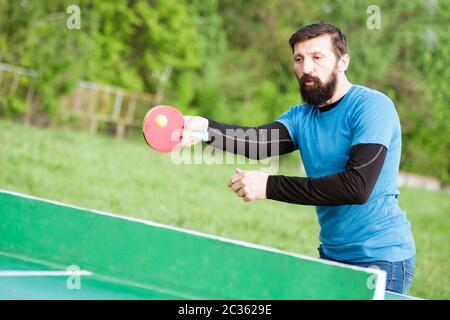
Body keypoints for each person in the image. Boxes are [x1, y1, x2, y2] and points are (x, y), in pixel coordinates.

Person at [181, 23, 416, 295]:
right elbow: (258, 143)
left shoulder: (372, 107)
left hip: (382, 257)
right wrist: (204, 129)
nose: (306, 68)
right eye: (299, 59)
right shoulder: (301, 117)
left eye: (318, 57)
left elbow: (356, 186)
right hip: (332, 255)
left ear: (342, 62)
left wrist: (268, 186)